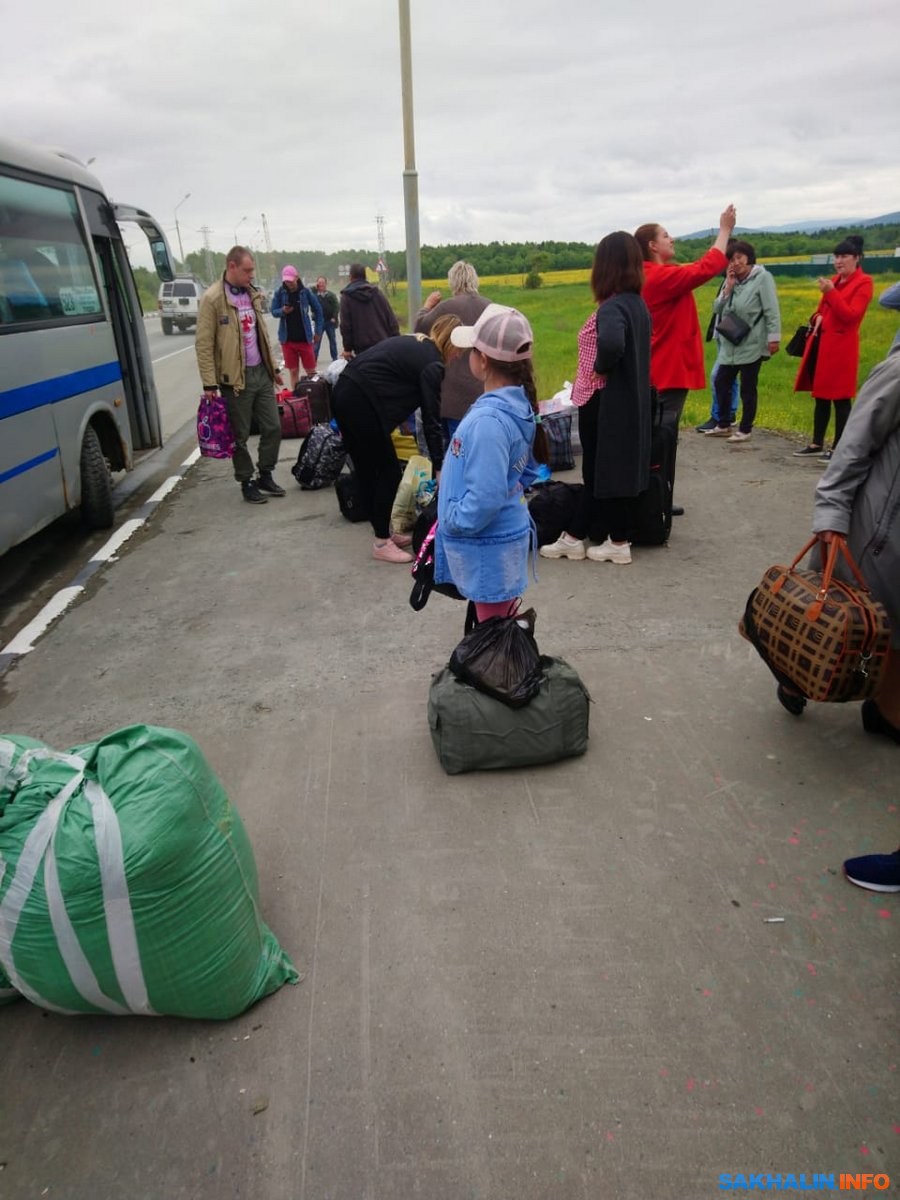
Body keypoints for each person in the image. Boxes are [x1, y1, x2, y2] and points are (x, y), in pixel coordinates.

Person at [776, 346, 900, 740]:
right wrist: (831, 515)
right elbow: (853, 445)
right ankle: (793, 673)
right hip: (878, 531)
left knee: (884, 634)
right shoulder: (898, 371)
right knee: (834, 617)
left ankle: (883, 711)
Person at [540, 232, 652, 566]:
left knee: (597, 473)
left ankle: (584, 540)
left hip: (603, 401)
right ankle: (602, 538)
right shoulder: (637, 305)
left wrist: (600, 369)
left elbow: (613, 344)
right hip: (628, 402)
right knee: (610, 473)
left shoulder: (612, 307)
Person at [434, 305, 550, 623]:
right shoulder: (516, 405)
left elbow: (485, 496)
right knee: (499, 626)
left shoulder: (488, 421)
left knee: (495, 639)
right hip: (500, 540)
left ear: (482, 361)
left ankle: (505, 670)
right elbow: (525, 469)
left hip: (489, 546)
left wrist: (453, 518)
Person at [635, 204, 737, 514]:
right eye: (665, 235)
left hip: (661, 368)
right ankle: (656, 500)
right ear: (652, 246)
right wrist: (724, 231)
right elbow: (705, 268)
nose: (672, 239)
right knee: (662, 438)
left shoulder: (650, 275)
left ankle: (659, 497)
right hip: (667, 370)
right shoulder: (659, 276)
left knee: (660, 437)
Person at [331, 317, 459, 562]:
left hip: (346, 392)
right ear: (450, 345)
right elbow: (431, 420)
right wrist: (440, 468)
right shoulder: (433, 364)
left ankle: (384, 533)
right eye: (458, 352)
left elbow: (391, 378)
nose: (457, 358)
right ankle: (381, 543)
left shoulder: (419, 343)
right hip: (359, 402)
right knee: (386, 472)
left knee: (370, 470)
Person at [195, 245, 286, 504]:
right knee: (239, 435)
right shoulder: (213, 299)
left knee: (273, 427)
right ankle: (246, 481)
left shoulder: (252, 294)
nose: (251, 275)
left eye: (252, 270)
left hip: (261, 373)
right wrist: (209, 383)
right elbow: (203, 345)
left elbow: (261, 335)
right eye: (247, 270)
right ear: (231, 266)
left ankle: (265, 473)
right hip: (235, 380)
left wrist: (273, 368)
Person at [792, 235, 873, 462]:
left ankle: (839, 447)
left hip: (842, 349)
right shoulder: (835, 280)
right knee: (821, 396)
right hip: (823, 346)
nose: (839, 261)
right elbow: (819, 311)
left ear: (856, 258)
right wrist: (817, 317)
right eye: (837, 256)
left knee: (840, 398)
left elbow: (851, 316)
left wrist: (830, 293)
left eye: (844, 256)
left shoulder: (864, 282)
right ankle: (816, 442)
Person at [702, 240, 781, 443]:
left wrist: (774, 338)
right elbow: (718, 310)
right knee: (721, 381)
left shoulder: (762, 278)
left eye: (739, 258)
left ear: (749, 258)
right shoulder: (733, 281)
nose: (735, 263)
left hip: (752, 342)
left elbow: (772, 310)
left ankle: (745, 429)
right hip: (731, 343)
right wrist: (728, 287)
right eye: (731, 259)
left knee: (748, 387)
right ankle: (724, 423)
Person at [414, 260, 492, 445]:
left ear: (453, 282)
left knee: (455, 455)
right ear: (475, 280)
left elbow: (419, 327)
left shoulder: (445, 307)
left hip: (452, 399)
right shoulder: (490, 307)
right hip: (484, 395)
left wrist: (427, 306)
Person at [270, 267, 323, 389]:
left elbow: (318, 311)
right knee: (293, 371)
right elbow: (273, 311)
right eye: (286, 281)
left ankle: (314, 396)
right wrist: (283, 311)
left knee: (311, 371)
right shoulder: (280, 292)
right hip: (288, 339)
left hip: (305, 338)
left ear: (297, 277)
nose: (288, 284)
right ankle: (296, 399)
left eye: (291, 281)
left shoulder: (306, 292)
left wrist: (318, 331)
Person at [339, 263, 400, 359]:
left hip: (362, 350)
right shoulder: (377, 293)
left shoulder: (347, 297)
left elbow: (346, 326)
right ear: (365, 276)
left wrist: (347, 349)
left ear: (350, 276)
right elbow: (391, 319)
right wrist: (396, 340)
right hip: (383, 345)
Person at [314, 276, 340, 361]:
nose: (321, 284)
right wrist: (315, 287)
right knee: (317, 341)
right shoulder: (314, 295)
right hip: (319, 322)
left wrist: (334, 317)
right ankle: (314, 359)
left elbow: (337, 306)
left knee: (332, 341)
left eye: (323, 283)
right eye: (319, 283)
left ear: (326, 284)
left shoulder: (331, 295)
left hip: (329, 322)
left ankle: (334, 358)